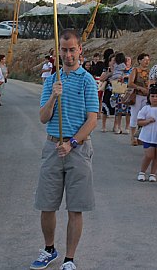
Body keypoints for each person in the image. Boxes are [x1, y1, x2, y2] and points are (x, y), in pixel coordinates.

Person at [31, 29, 98, 270]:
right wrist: (53, 97)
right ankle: (49, 249)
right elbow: (42, 117)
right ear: (58, 51)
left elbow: (92, 120)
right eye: (64, 50)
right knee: (47, 204)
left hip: (77, 149)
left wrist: (72, 143)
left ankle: (69, 259)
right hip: (52, 146)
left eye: (72, 50)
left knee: (75, 207)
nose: (68, 55)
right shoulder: (51, 81)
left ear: (80, 50)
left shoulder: (87, 80)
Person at [127, 53, 151, 146]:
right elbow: (130, 83)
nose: (147, 62)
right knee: (135, 115)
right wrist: (140, 88)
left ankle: (141, 136)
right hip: (137, 95)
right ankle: (133, 136)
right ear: (140, 60)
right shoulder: (136, 70)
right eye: (145, 60)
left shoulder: (149, 71)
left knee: (144, 116)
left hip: (146, 96)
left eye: (148, 60)